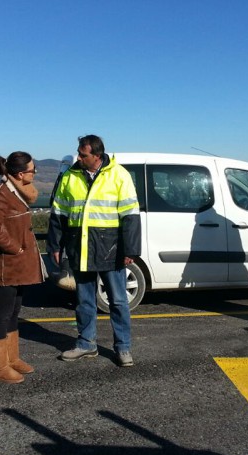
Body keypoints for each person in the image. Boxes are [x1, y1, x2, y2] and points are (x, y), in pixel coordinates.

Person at [47, 135, 141, 367]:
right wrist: (54, 245)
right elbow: (59, 213)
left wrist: (130, 249)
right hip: (80, 247)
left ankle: (123, 348)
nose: (78, 157)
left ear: (97, 156)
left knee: (118, 301)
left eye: (83, 154)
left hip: (111, 248)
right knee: (84, 300)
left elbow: (130, 214)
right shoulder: (70, 176)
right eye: (79, 152)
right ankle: (86, 343)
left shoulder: (119, 175)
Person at [0, 151, 45, 383]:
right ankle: (0, 367)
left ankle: (12, 357)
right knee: (4, 313)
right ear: (20, 174)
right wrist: (15, 248)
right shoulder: (1, 194)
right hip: (7, 265)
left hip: (19, 265)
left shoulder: (17, 191)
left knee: (15, 310)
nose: (35, 173)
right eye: (32, 170)